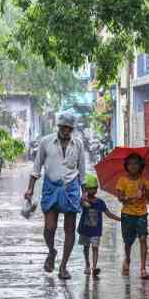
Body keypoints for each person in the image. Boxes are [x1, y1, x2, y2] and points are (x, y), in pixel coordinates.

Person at [25, 112, 86, 280]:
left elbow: (82, 171)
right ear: (58, 127)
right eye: (63, 127)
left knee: (70, 228)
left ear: (72, 129)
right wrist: (30, 188)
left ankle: (63, 266)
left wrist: (85, 193)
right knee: (49, 228)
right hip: (50, 187)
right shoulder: (45, 142)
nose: (66, 130)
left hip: (71, 188)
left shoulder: (78, 144)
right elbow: (36, 168)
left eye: (69, 128)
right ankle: (51, 251)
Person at [115, 153, 149, 279]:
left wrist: (145, 192)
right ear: (126, 166)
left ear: (140, 166)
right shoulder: (122, 181)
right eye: (130, 164)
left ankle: (143, 268)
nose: (133, 166)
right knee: (128, 241)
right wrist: (132, 197)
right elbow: (120, 198)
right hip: (127, 214)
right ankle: (127, 259)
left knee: (143, 238)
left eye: (136, 163)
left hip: (142, 214)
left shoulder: (144, 181)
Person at [78, 174, 120, 278]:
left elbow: (108, 213)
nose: (93, 191)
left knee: (95, 247)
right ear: (86, 189)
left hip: (96, 231)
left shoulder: (100, 202)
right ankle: (87, 264)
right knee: (86, 248)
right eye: (90, 189)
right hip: (85, 230)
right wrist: (83, 200)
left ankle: (94, 267)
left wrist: (120, 219)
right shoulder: (83, 201)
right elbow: (80, 204)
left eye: (94, 188)